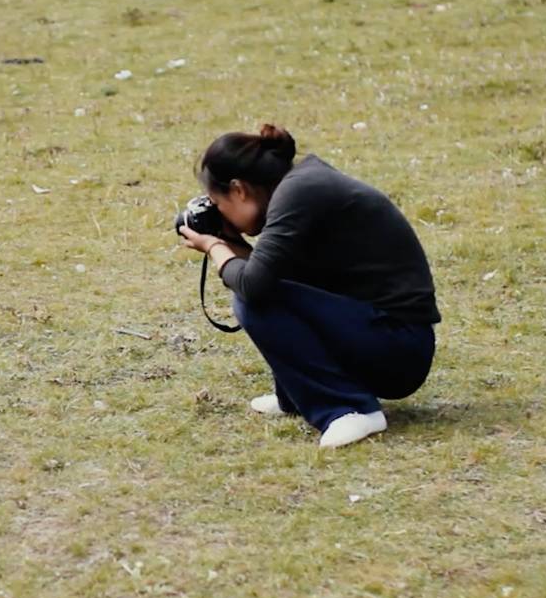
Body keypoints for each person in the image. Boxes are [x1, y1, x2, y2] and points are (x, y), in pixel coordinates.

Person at [178, 124, 440, 448]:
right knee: (268, 290)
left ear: (239, 190)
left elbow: (253, 285)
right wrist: (232, 244)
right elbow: (271, 273)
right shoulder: (298, 187)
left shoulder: (299, 193)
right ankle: (297, 396)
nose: (223, 216)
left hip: (400, 347)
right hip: (383, 335)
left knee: (253, 300)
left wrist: (214, 247)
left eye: (219, 205)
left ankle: (350, 409)